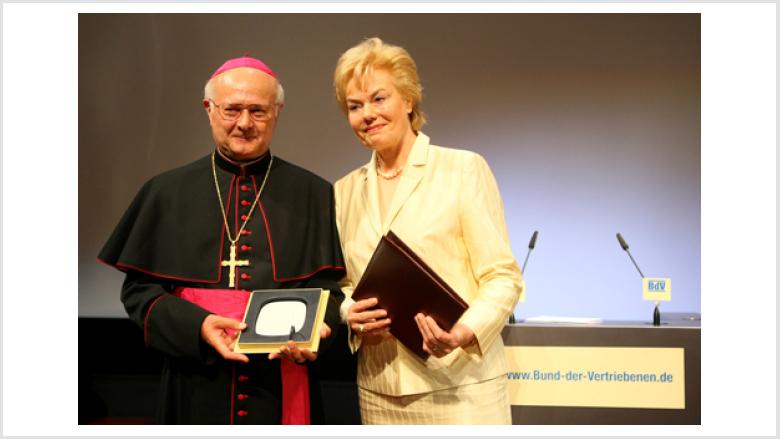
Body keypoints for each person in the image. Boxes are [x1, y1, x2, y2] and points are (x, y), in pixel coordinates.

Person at [98, 56, 346, 424]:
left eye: (258, 111)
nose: (244, 123)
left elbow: (328, 288)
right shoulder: (166, 192)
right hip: (194, 378)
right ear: (209, 110)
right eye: (232, 109)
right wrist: (197, 326)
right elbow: (140, 293)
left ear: (277, 112)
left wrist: (314, 337)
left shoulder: (314, 193)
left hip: (281, 381)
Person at [332, 38, 524, 424]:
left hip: (459, 387)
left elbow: (503, 278)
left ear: (408, 100)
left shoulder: (462, 169)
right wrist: (350, 313)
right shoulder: (343, 190)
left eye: (379, 98)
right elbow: (347, 283)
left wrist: (464, 332)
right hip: (379, 391)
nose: (367, 114)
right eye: (355, 106)